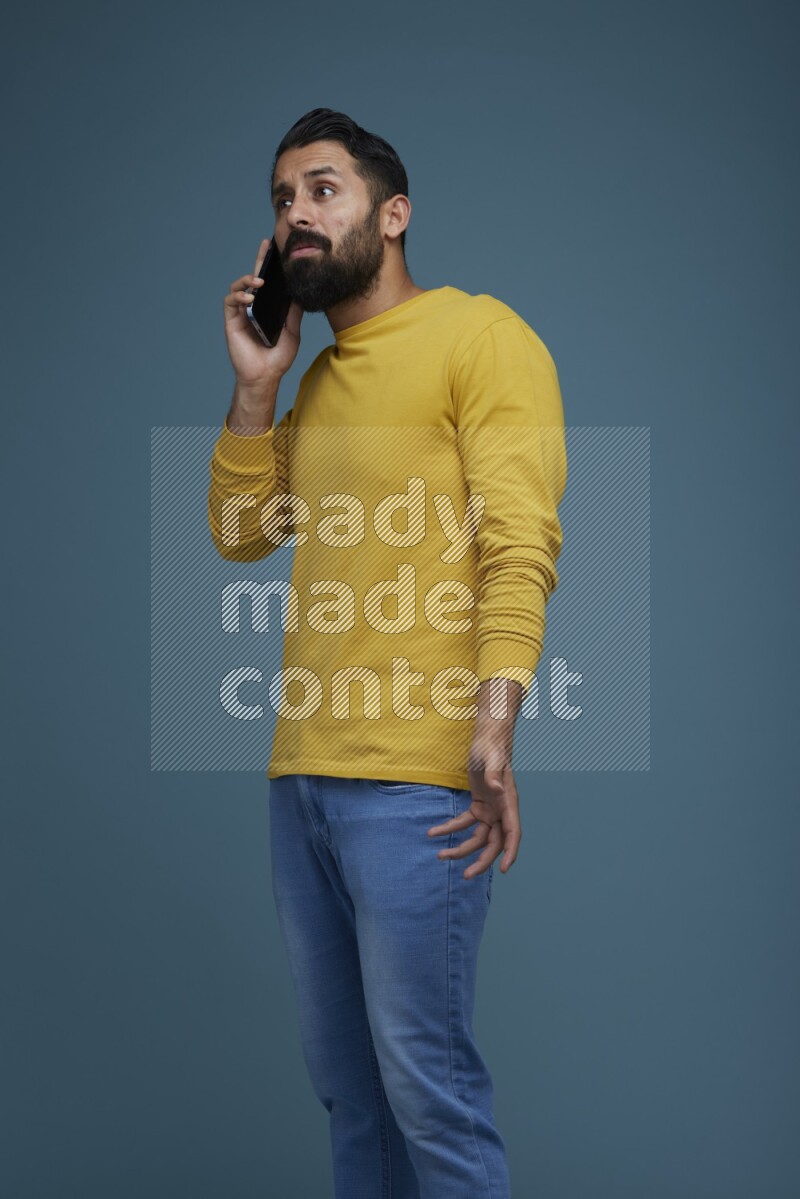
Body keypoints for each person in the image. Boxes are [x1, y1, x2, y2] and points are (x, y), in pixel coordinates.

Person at [207, 107, 567, 1198]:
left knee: (427, 1092)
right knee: (352, 1099)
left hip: (417, 786)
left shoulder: (479, 337)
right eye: (283, 199)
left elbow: (519, 545)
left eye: (323, 189)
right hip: (302, 782)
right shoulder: (317, 383)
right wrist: (259, 385)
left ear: (393, 213)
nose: (297, 215)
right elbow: (240, 535)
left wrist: (493, 731)